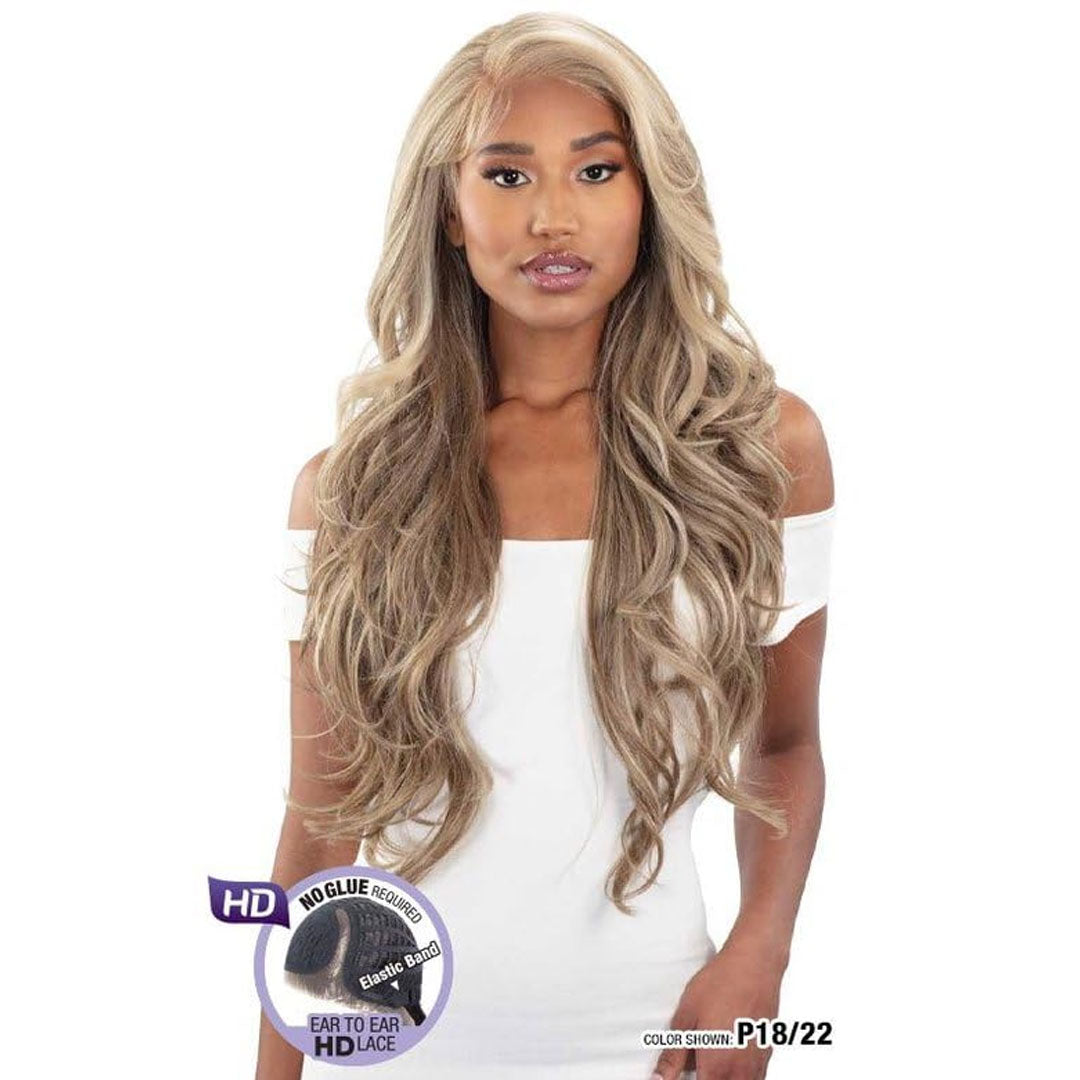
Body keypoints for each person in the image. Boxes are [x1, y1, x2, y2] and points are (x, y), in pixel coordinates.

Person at [256, 12, 835, 1080]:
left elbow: (786, 744)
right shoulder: (350, 492)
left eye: (596, 170)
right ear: (449, 207)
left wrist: (761, 959)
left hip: (661, 1037)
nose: (553, 218)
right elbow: (320, 822)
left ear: (649, 195)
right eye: (507, 175)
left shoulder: (759, 451)